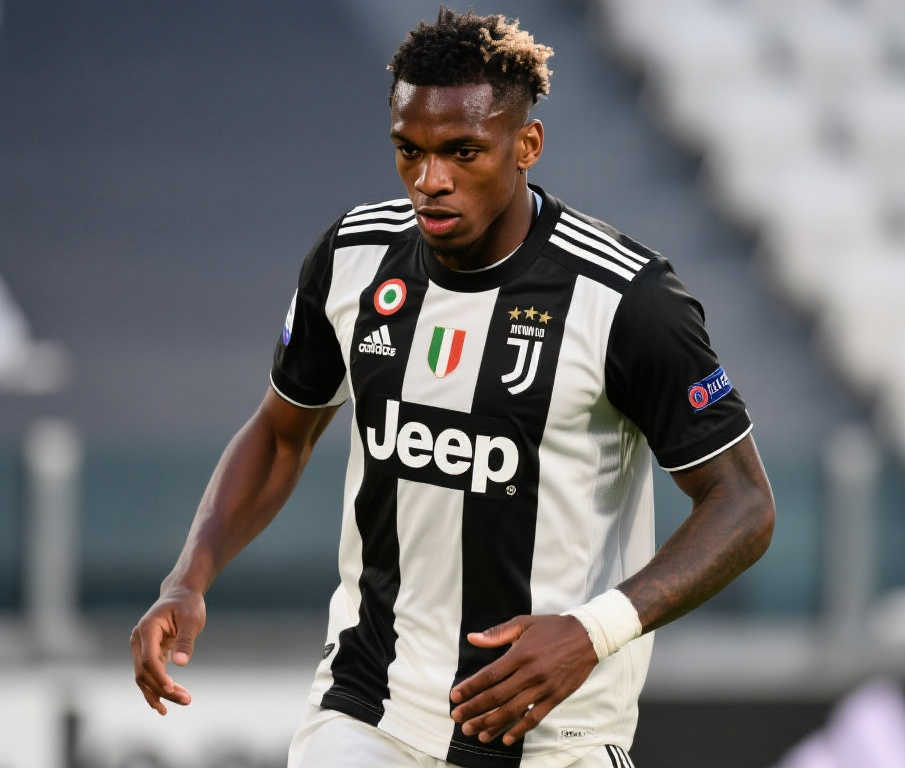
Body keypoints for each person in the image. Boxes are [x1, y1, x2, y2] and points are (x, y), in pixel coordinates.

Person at [129, 8, 775, 768]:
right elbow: (280, 435)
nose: (430, 181)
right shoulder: (354, 256)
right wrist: (188, 577)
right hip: (368, 713)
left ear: (527, 144)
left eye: (463, 152)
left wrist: (593, 630)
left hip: (554, 737)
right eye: (410, 151)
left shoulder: (624, 299)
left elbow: (743, 503)